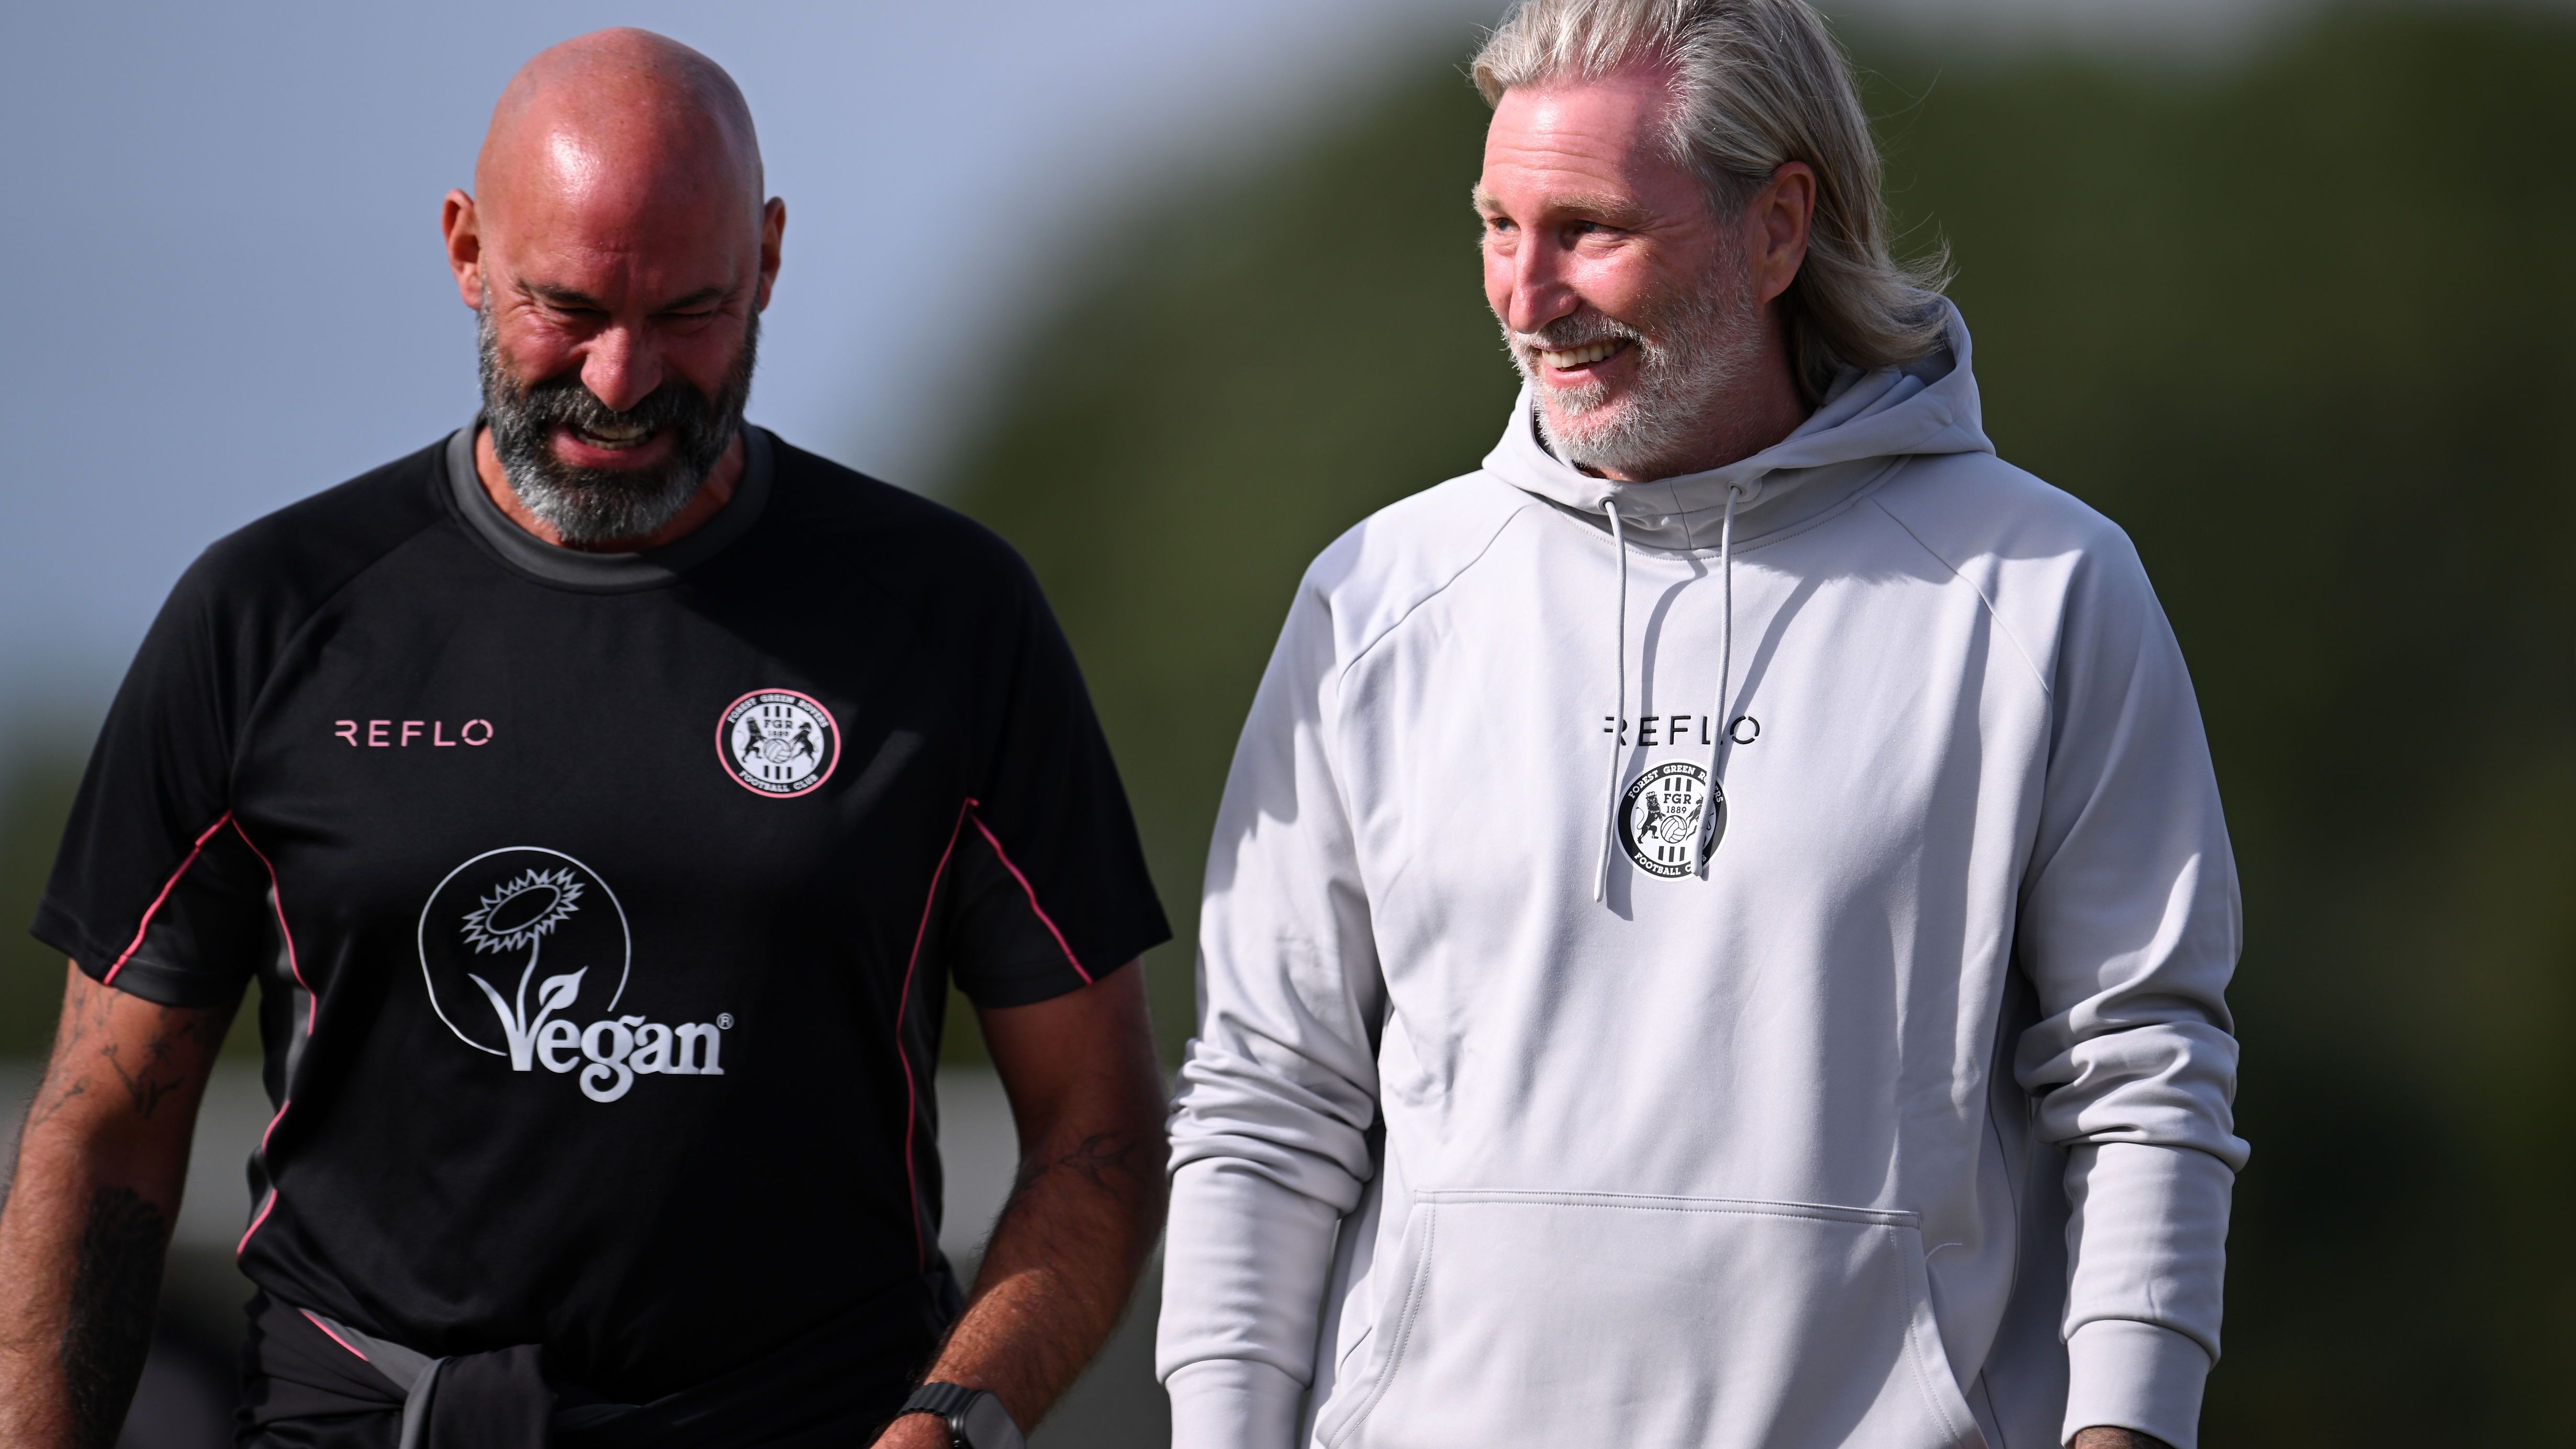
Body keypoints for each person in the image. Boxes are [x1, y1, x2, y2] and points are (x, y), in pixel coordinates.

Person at [0, 29, 1170, 1449]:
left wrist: (951, 1425)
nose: (619, 381)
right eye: (566, 308)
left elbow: (1098, 1127)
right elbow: (103, 1134)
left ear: (773, 261)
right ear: (465, 251)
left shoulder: (944, 615)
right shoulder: (269, 615)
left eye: (689, 313)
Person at [1156, 2, 2244, 1447]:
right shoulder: (1376, 599)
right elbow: (1266, 1099)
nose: (1523, 296)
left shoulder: (2041, 586)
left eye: (1587, 229)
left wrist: (2128, 1430)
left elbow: (2144, 1072)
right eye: (1496, 225)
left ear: (1778, 225)